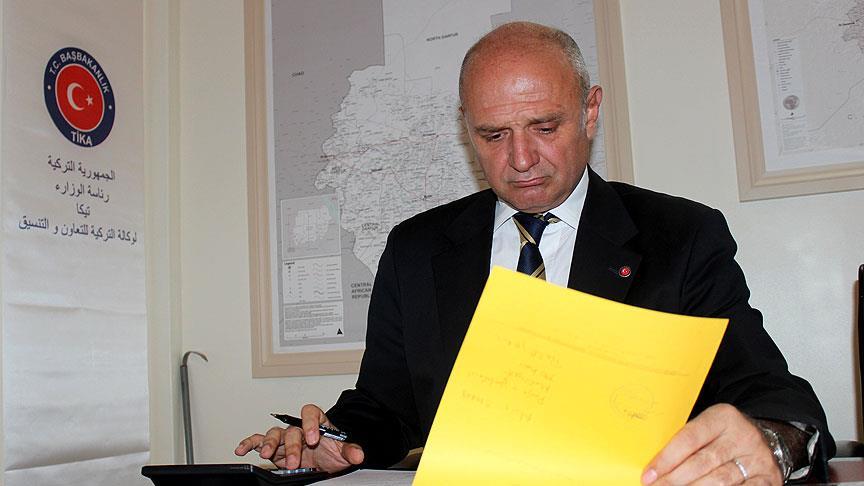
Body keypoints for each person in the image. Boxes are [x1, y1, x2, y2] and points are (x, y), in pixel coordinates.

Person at [236, 21, 833, 484]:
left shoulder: (680, 236)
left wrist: (773, 443)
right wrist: (335, 439)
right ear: (466, 127)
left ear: (590, 112)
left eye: (545, 127)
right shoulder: (416, 249)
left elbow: (775, 395)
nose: (520, 160)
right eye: (493, 135)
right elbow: (385, 405)